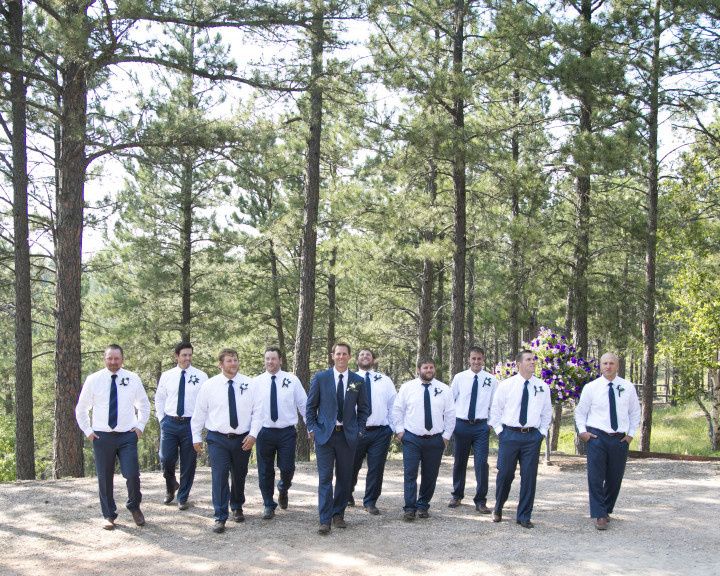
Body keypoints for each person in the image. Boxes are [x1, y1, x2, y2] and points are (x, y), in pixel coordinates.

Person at [75, 344, 151, 530]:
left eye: (116, 358)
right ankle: (108, 515)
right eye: (110, 358)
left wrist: (140, 427)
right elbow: (82, 408)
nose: (113, 362)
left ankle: (134, 506)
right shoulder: (94, 379)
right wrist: (88, 431)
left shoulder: (132, 378)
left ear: (122, 359)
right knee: (104, 477)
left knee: (132, 473)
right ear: (105, 358)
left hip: (127, 435)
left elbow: (144, 404)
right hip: (102, 436)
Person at [191, 348, 262, 533]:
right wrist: (196, 436)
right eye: (229, 361)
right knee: (220, 474)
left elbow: (258, 412)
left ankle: (237, 505)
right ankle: (220, 515)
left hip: (243, 438)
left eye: (236, 360)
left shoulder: (250, 384)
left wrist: (253, 435)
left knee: (239, 474)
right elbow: (199, 412)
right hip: (218, 438)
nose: (234, 364)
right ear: (220, 364)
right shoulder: (209, 385)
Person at [306, 342, 370, 535]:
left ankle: (338, 514)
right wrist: (314, 429)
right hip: (325, 436)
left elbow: (364, 409)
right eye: (338, 354)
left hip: (348, 436)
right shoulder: (321, 378)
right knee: (325, 478)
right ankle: (324, 519)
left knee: (344, 477)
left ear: (349, 357)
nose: (341, 357)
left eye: (345, 354)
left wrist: (359, 430)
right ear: (332, 356)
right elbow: (310, 408)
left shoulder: (357, 380)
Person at [575, 352, 641, 530]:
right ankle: (599, 514)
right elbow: (580, 412)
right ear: (600, 366)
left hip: (619, 438)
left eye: (611, 363)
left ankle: (607, 508)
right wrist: (583, 432)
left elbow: (635, 412)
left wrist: (630, 435)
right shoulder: (591, 387)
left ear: (617, 366)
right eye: (605, 363)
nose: (608, 366)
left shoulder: (627, 387)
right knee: (595, 477)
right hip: (597, 436)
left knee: (615, 477)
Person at [490, 349, 552, 528]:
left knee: (529, 477)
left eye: (534, 359)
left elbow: (546, 412)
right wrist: (501, 431)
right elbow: (495, 411)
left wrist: (541, 433)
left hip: (532, 437)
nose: (533, 362)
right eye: (528, 359)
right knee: (505, 474)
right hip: (509, 435)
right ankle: (498, 507)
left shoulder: (542, 386)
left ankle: (524, 515)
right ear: (519, 363)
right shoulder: (506, 385)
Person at [393, 357, 455, 521]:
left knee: (430, 475)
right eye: (425, 368)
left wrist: (446, 437)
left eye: (431, 368)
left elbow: (450, 414)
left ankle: (423, 505)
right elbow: (397, 410)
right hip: (412, 438)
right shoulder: (407, 388)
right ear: (418, 370)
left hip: (435, 439)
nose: (429, 370)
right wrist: (400, 432)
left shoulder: (444, 389)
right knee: (410, 474)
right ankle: (409, 508)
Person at [254, 346, 307, 520]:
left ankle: (283, 488)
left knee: (287, 467)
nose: (270, 362)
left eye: (273, 358)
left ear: (280, 360)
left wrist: (310, 427)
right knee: (265, 470)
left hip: (286, 432)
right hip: (264, 432)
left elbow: (303, 405)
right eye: (267, 358)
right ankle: (268, 504)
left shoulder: (292, 380)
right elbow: (249, 409)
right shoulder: (256, 382)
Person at [155, 341, 208, 510]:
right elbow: (160, 398)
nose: (187, 358)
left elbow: (206, 401)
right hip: (170, 422)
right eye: (184, 355)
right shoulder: (167, 375)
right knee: (166, 458)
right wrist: (161, 419)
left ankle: (182, 496)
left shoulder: (201, 376)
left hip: (191, 424)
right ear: (177, 356)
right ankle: (171, 486)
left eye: (190, 355)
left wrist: (201, 424)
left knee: (188, 463)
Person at [448, 346, 497, 513]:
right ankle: (457, 494)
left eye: (479, 359)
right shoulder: (460, 378)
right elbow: (450, 400)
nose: (476, 361)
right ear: (469, 359)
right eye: (473, 358)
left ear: (483, 359)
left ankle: (481, 500)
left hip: (481, 426)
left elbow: (495, 405)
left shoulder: (491, 380)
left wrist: (490, 423)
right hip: (461, 425)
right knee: (459, 461)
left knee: (481, 463)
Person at [349, 348, 396, 515]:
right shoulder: (352, 380)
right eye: (361, 354)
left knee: (376, 468)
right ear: (357, 360)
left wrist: (392, 427)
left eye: (368, 354)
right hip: (356, 431)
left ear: (373, 359)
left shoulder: (384, 380)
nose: (365, 357)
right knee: (351, 466)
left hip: (380, 432)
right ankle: (348, 492)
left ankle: (370, 501)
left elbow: (393, 405)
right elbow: (346, 406)